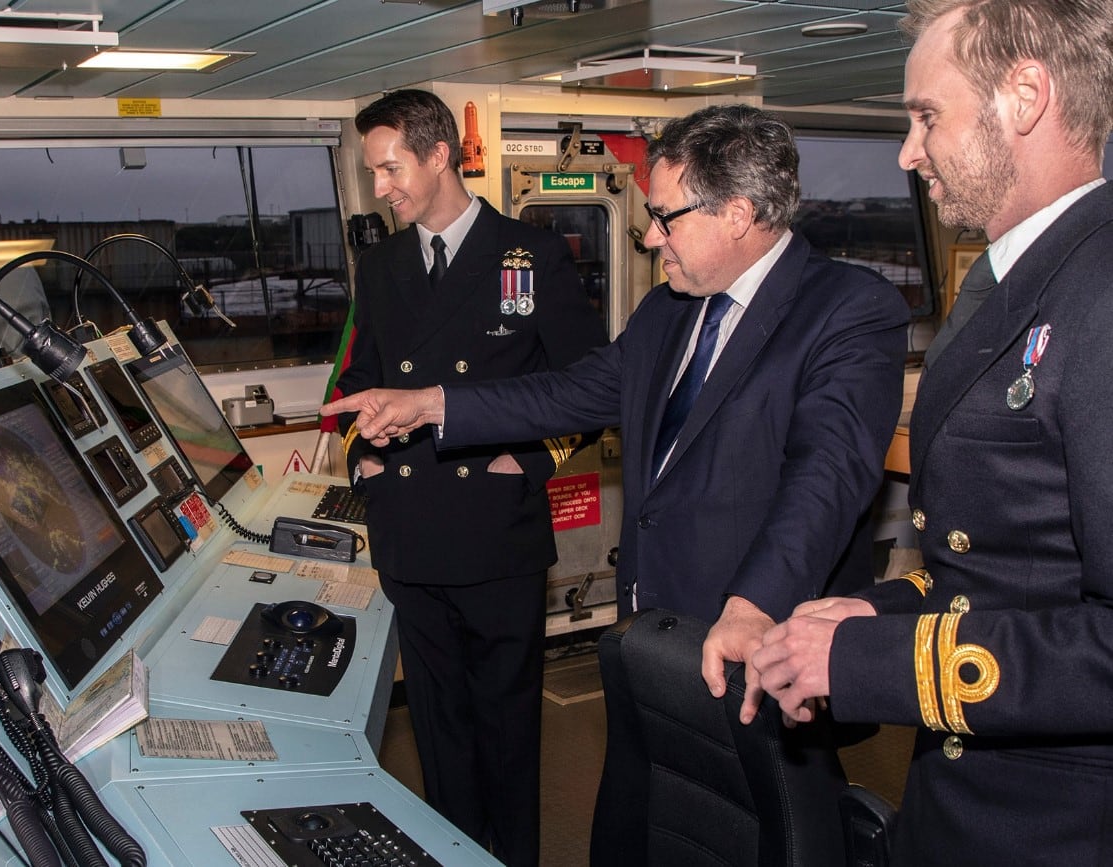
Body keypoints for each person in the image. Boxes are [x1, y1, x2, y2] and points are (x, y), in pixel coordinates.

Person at [326, 104, 907, 724]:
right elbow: (564, 393)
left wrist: (754, 604)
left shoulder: (849, 309)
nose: (651, 236)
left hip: (756, 635)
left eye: (664, 217)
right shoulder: (667, 311)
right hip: (649, 626)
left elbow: (827, 479)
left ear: (737, 214)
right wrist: (431, 404)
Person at [751, 0, 1113, 863]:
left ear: (1024, 95)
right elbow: (1017, 568)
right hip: (970, 795)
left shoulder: (1099, 296)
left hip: (1056, 823)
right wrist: (871, 612)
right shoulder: (1014, 279)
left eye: (924, 116)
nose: (909, 154)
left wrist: (874, 664)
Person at [334, 89, 605, 867]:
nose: (380, 188)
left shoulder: (530, 256)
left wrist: (526, 459)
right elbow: (359, 378)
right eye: (371, 174)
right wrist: (367, 454)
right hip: (409, 534)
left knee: (508, 726)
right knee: (438, 728)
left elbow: (588, 384)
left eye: (389, 169)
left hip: (496, 534)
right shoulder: (381, 266)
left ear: (439, 153)